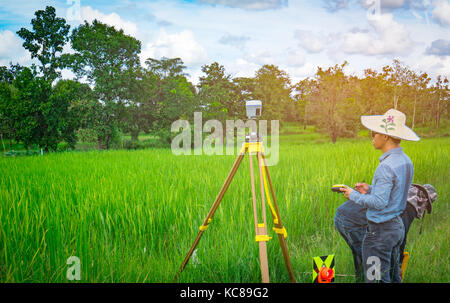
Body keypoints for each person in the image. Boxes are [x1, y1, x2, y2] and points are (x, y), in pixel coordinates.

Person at [335, 108, 420, 283]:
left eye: (374, 133)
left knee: (375, 279)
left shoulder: (386, 166)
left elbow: (379, 203)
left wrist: (353, 195)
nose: (372, 137)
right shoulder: (405, 161)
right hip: (396, 228)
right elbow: (394, 193)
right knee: (394, 275)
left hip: (379, 232)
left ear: (385, 136)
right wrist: (370, 189)